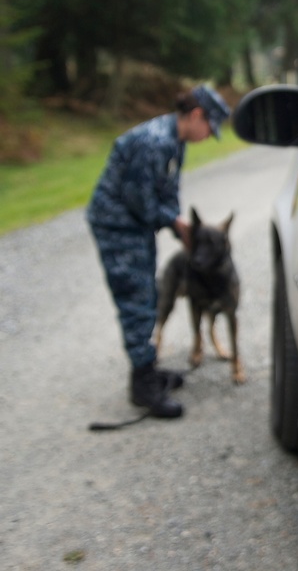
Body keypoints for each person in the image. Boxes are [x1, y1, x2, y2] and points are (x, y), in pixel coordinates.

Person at [87, 84, 231, 419]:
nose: (210, 135)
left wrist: (179, 225)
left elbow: (167, 192)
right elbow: (142, 203)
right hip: (119, 226)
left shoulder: (174, 141)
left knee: (148, 292)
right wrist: (174, 223)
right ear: (196, 115)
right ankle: (143, 386)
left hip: (136, 224)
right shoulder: (154, 142)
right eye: (210, 127)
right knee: (136, 297)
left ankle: (148, 369)